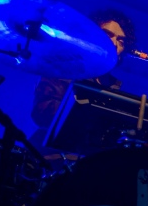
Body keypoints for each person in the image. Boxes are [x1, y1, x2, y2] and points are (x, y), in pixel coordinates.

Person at [29, 9, 136, 147]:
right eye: (107, 35)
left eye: (121, 41)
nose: (114, 43)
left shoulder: (111, 83)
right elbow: (41, 113)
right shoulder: (64, 68)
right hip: (53, 156)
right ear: (91, 36)